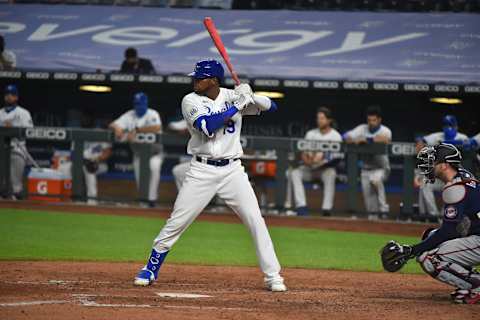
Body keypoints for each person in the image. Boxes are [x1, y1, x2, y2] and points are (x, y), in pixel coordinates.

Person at [133, 59, 287, 292]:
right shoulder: (190, 100)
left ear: (213, 80)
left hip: (233, 171)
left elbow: (273, 108)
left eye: (199, 78)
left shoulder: (233, 95)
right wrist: (237, 106)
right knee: (177, 221)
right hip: (201, 171)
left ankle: (273, 276)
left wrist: (251, 95)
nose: (194, 81)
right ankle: (151, 267)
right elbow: (208, 126)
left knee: (256, 221)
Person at [381, 143, 480, 304]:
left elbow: (449, 231)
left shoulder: (454, 188)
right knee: (430, 237)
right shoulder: (464, 175)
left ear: (445, 165)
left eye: (433, 161)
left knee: (429, 257)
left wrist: (411, 250)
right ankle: (472, 280)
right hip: (476, 233)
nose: (429, 165)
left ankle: (476, 285)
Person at [285, 107, 342, 216]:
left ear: (329, 120)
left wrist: (323, 159)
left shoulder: (336, 136)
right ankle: (301, 206)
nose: (319, 120)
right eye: (318, 118)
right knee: (294, 173)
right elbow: (303, 152)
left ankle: (326, 209)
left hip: (324, 170)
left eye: (322, 118)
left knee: (331, 173)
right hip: (309, 168)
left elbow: (337, 158)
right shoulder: (311, 134)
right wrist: (306, 159)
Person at [109, 92, 163, 207]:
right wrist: (117, 128)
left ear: (146, 103)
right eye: (137, 104)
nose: (139, 106)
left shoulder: (152, 113)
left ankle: (152, 201)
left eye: (141, 103)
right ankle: (144, 202)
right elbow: (113, 124)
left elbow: (157, 127)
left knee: (154, 169)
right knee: (140, 178)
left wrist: (137, 130)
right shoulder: (130, 115)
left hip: (154, 153)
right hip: (138, 153)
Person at [415, 115, 469, 221]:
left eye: (451, 126)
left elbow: (470, 146)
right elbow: (420, 141)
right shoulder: (437, 136)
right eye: (446, 126)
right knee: (425, 185)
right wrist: (421, 147)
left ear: (456, 127)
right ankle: (434, 216)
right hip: (440, 177)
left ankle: (444, 218)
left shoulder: (463, 138)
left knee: (454, 190)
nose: (448, 128)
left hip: (457, 178)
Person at [343, 105, 392, 219]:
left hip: (381, 167)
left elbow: (385, 139)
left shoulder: (385, 130)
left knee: (375, 180)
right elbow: (345, 136)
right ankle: (374, 220)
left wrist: (366, 140)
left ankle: (384, 209)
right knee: (370, 207)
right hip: (365, 169)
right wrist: (355, 140)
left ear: (379, 120)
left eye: (374, 120)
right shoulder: (362, 128)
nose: (371, 123)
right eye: (369, 120)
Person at [0, 85, 33, 199]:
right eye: (7, 94)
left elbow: (29, 132)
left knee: (16, 183)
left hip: (18, 149)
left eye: (12, 94)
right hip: (2, 149)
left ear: (16, 97)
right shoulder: (0, 113)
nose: (9, 97)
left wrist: (13, 128)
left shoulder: (24, 113)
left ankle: (17, 206)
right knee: (2, 182)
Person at [81, 114, 112, 205]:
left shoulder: (100, 132)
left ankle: (92, 201)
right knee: (64, 168)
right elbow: (73, 153)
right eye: (83, 118)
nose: (85, 120)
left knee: (90, 168)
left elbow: (108, 152)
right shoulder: (79, 132)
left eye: (87, 118)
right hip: (81, 162)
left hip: (99, 164)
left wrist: (97, 159)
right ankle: (66, 199)